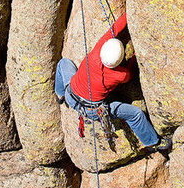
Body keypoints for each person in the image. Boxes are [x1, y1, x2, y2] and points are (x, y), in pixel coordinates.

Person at [55, 12, 172, 153]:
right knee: (136, 115)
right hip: (93, 111)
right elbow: (130, 71)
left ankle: (60, 94)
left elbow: (115, 28)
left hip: (70, 94)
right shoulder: (120, 75)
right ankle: (153, 142)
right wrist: (135, 53)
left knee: (63, 63)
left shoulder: (95, 54)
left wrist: (129, 13)